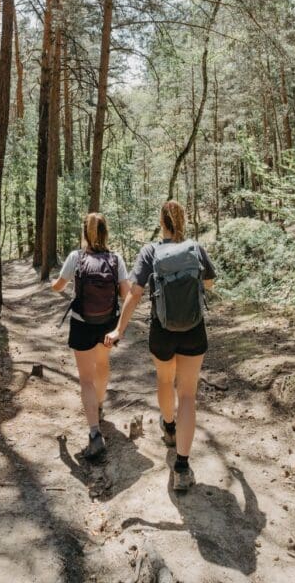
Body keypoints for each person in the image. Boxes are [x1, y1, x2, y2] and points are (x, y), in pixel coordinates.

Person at [104, 199, 216, 491]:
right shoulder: (195, 247)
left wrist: (119, 329)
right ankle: (181, 465)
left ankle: (168, 427)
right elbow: (210, 284)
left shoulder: (150, 251)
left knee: (165, 380)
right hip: (193, 329)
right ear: (183, 221)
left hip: (162, 331)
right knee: (188, 395)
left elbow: (135, 294)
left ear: (162, 222)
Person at [52, 212, 130, 458]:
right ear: (106, 232)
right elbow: (125, 293)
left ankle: (94, 432)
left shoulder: (76, 257)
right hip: (107, 323)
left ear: (85, 233)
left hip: (81, 323)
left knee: (85, 378)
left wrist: (52, 286)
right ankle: (98, 404)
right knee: (103, 364)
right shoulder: (116, 259)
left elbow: (59, 286)